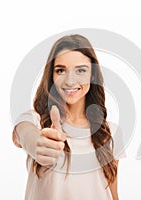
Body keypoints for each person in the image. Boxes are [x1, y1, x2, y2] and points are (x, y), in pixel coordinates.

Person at [12, 34, 126, 200]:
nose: (70, 81)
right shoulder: (35, 121)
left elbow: (113, 195)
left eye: (80, 70)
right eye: (61, 70)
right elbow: (24, 133)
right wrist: (37, 144)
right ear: (51, 76)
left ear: (93, 75)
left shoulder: (111, 132)